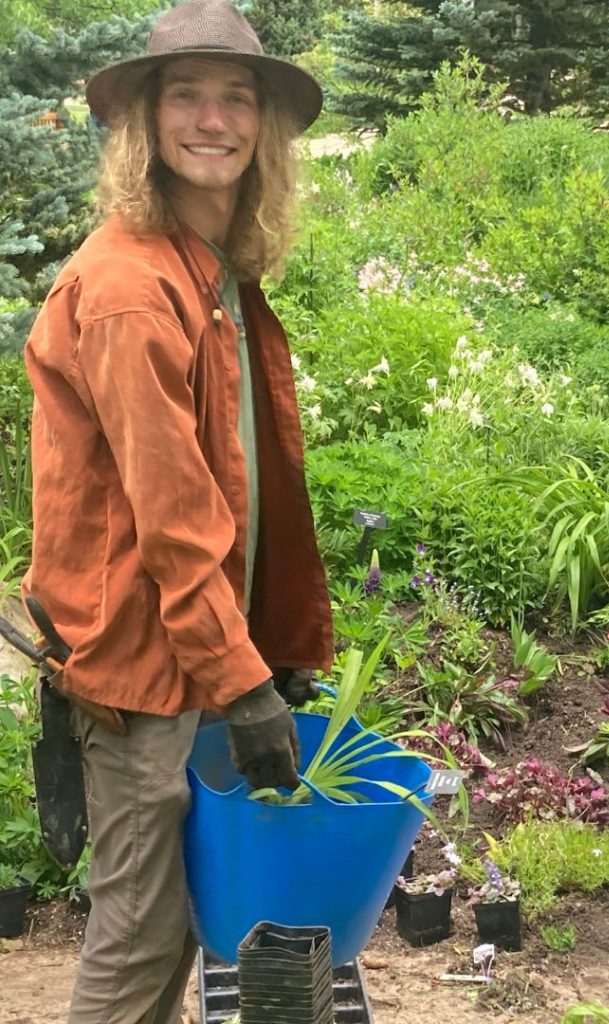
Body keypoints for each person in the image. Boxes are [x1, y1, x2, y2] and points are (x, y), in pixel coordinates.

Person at [23, 2, 334, 1021]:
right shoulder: (126, 288)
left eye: (236, 98)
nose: (213, 119)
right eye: (186, 96)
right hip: (145, 661)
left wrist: (264, 647)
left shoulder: (210, 273)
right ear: (144, 124)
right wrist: (244, 688)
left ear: (264, 126)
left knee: (188, 928)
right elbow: (168, 521)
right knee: (141, 938)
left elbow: (238, 484)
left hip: (200, 646)